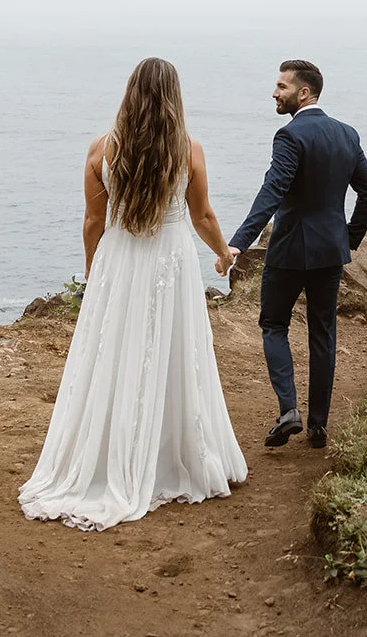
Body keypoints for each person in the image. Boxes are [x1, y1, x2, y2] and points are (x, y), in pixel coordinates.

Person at [19, 57, 247, 530]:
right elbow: (202, 216)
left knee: (113, 353)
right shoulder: (188, 150)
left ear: (129, 93)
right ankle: (174, 453)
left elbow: (93, 222)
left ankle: (106, 456)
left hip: (118, 261)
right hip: (171, 260)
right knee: (174, 351)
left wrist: (92, 271)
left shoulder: (103, 149)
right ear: (174, 97)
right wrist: (223, 253)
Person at [227, 59, 367, 449]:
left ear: (304, 92)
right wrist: (348, 239)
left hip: (290, 250)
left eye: (281, 87)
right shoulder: (347, 134)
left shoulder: (289, 136)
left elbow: (272, 191)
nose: (275, 93)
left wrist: (239, 241)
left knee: (273, 325)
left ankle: (288, 410)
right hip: (331, 252)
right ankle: (318, 424)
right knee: (323, 334)